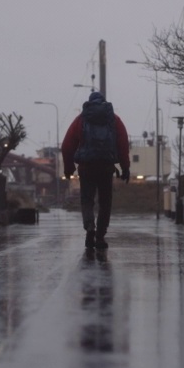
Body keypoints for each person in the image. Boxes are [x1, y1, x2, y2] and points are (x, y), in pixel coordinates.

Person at [61, 91, 130, 250]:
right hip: (106, 167)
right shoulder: (114, 120)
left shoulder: (81, 120)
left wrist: (69, 169)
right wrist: (125, 167)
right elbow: (123, 144)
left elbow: (67, 146)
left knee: (87, 200)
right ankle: (100, 236)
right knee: (105, 203)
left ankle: (90, 227)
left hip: (87, 167)